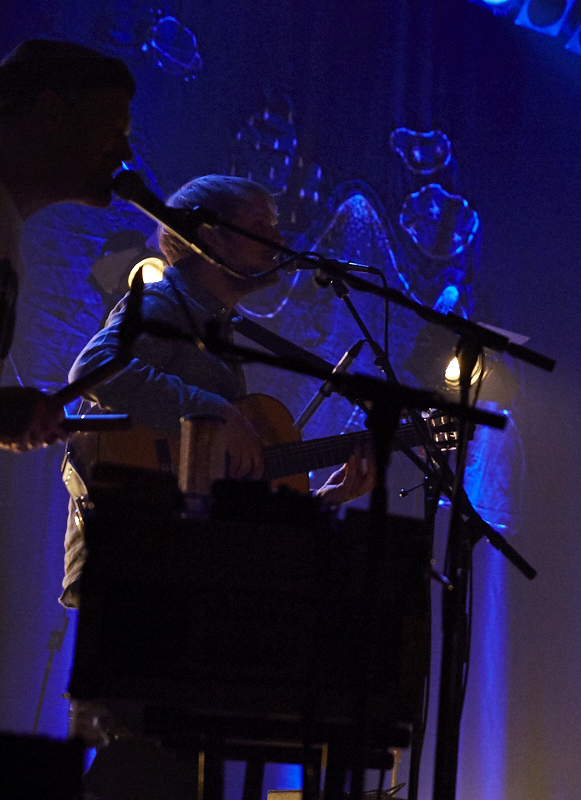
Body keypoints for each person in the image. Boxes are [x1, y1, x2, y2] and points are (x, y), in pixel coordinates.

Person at [60, 174, 375, 800]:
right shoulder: (164, 300)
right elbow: (94, 370)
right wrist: (214, 410)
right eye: (262, 230)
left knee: (166, 771)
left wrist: (322, 500)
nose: (279, 243)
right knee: (135, 768)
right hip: (137, 568)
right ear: (208, 237)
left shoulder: (215, 324)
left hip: (175, 572)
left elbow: (217, 485)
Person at [0, 38, 135, 452]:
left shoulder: (10, 242)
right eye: (113, 129)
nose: (124, 153)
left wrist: (9, 415)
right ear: (50, 110)